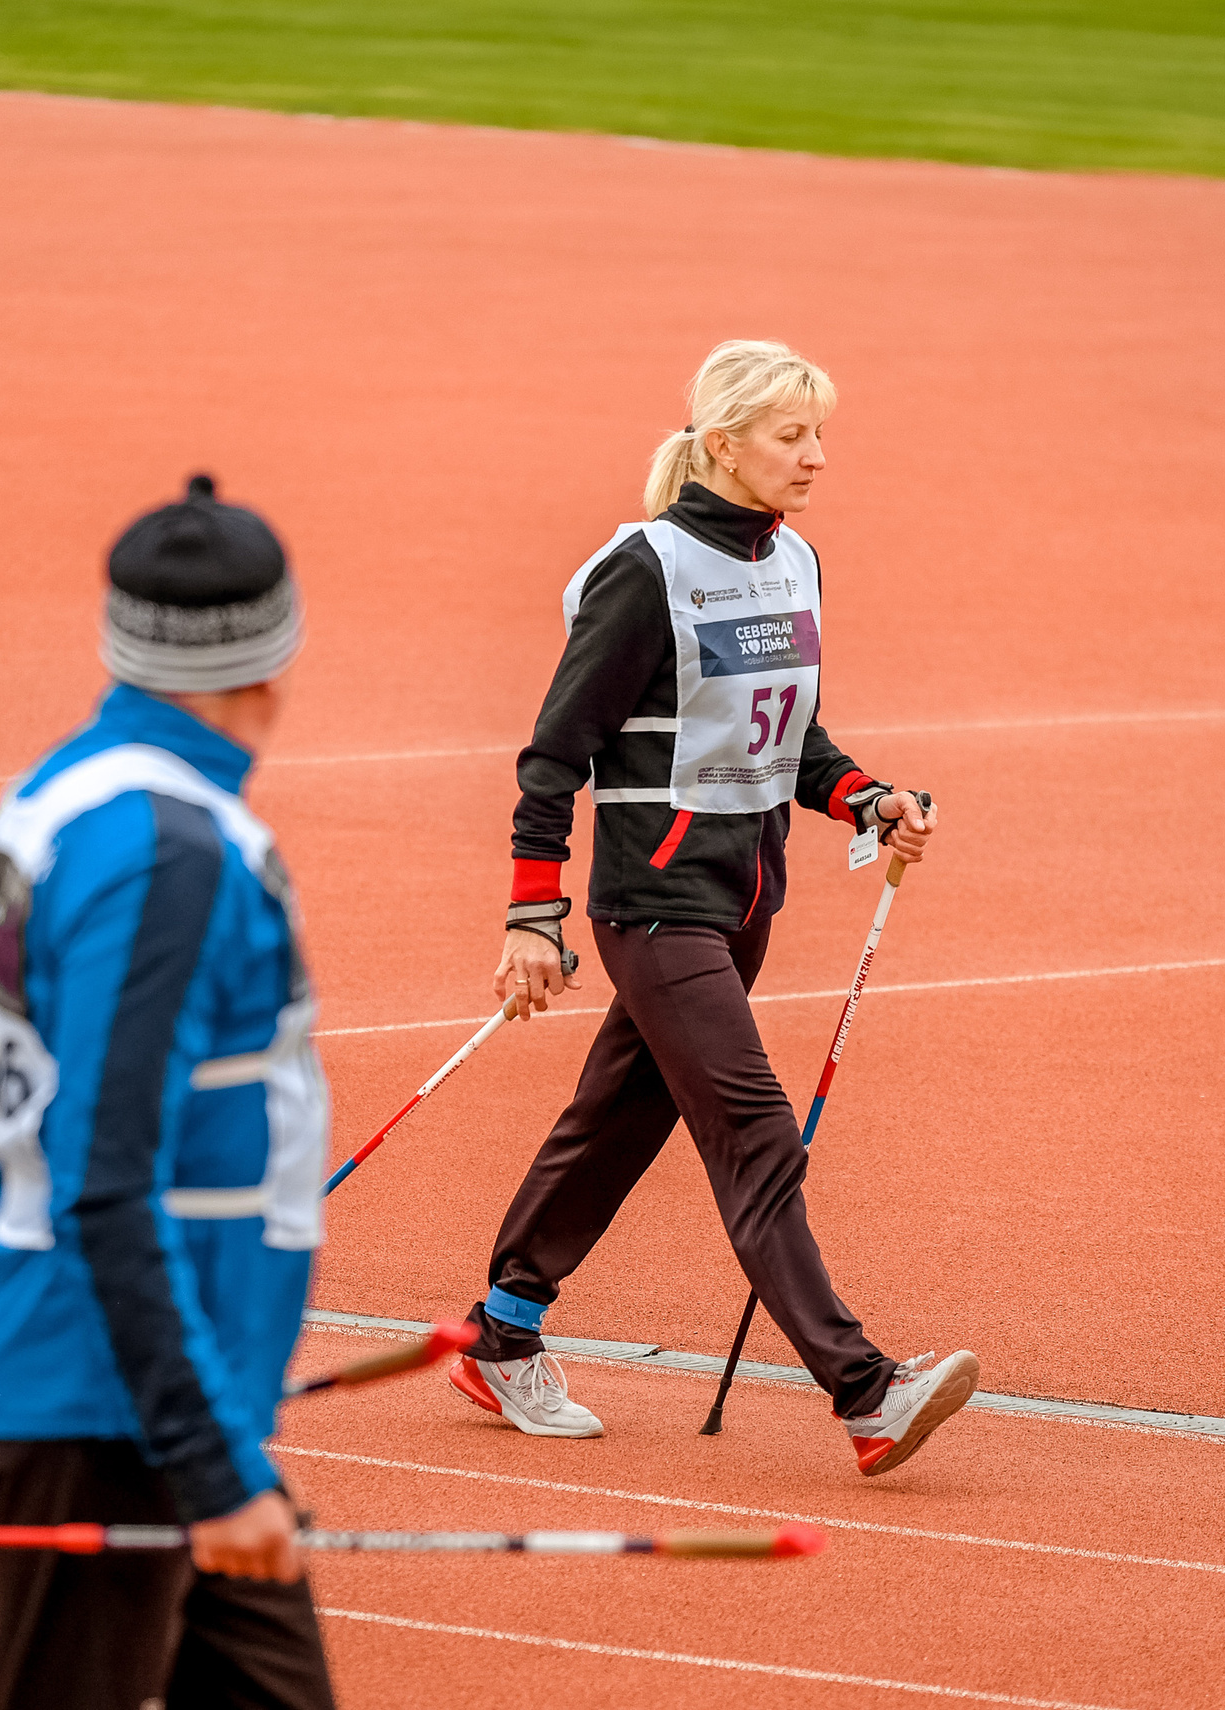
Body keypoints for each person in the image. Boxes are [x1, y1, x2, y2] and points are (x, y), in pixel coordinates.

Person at [451, 339, 977, 1477]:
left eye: (820, 434)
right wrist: (530, 915)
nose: (817, 457)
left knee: (615, 1120)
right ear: (724, 443)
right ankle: (865, 1389)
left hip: (747, 904)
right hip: (653, 902)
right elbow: (555, 755)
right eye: (793, 436)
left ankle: (502, 1329)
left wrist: (868, 799)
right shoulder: (641, 571)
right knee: (752, 1129)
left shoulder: (797, 564)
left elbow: (795, 742)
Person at [0, 474, 335, 1710]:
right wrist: (213, 1465)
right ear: (272, 653)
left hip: (154, 1397)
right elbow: (106, 1177)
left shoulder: (81, 793)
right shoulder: (165, 849)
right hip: (112, 1407)